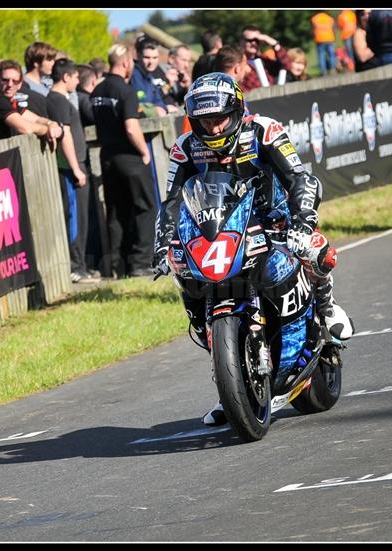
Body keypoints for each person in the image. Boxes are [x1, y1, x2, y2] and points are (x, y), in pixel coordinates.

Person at [151, 73, 354, 426]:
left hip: (274, 218)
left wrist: (302, 221)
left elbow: (301, 179)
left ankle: (325, 306)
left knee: (317, 249)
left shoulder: (264, 131)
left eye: (219, 119)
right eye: (205, 122)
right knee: (189, 283)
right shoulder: (184, 147)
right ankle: (233, 389)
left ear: (237, 111)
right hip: (220, 229)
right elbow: (171, 201)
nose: (213, 129)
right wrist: (161, 244)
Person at [91, 42, 155, 278]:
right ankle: (141, 263)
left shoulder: (97, 92)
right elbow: (131, 127)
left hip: (107, 156)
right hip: (129, 156)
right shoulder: (126, 91)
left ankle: (116, 266)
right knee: (145, 207)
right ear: (127, 63)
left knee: (116, 212)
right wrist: (144, 152)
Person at [47, 59, 97, 284]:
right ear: (66, 77)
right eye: (76, 77)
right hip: (70, 169)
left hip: (77, 166)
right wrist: (76, 168)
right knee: (75, 219)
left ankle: (82, 266)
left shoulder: (63, 99)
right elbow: (65, 134)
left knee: (83, 220)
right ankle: (76, 268)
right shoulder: (57, 100)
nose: (78, 81)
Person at [311, 11, 338, 75]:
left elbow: (313, 30)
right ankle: (333, 69)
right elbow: (333, 29)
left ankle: (323, 71)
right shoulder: (329, 18)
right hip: (330, 38)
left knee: (321, 55)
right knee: (331, 55)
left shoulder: (315, 18)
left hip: (320, 39)